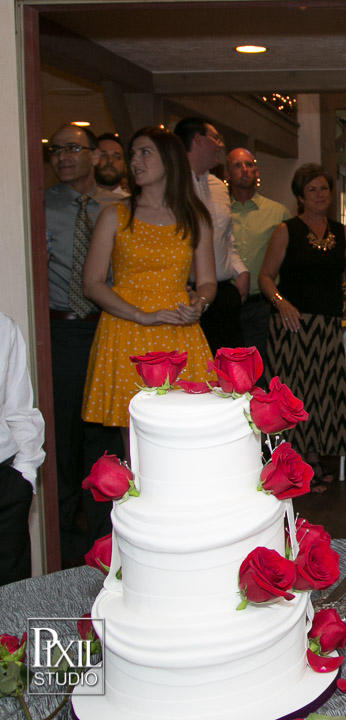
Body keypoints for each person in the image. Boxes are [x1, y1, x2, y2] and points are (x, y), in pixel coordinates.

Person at [81, 126, 217, 433]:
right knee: (135, 435)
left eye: (145, 153)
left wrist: (201, 302)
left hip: (177, 329)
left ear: (169, 161)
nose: (135, 162)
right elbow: (92, 283)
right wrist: (141, 316)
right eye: (133, 154)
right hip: (125, 328)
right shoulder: (115, 215)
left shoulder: (195, 217)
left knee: (185, 430)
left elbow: (208, 281)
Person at [44, 123, 124, 563]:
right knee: (63, 440)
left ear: (96, 156)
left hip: (110, 329)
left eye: (72, 148)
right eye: (55, 150)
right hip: (60, 331)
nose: (62, 156)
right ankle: (64, 552)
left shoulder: (120, 209)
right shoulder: (37, 204)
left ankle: (104, 547)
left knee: (105, 440)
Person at [258, 163, 346, 485]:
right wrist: (281, 303)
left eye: (324, 189)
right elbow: (264, 276)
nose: (320, 195)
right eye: (312, 190)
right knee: (294, 396)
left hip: (328, 326)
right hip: (292, 327)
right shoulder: (285, 230)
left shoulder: (341, 230)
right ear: (300, 197)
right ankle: (291, 466)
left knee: (325, 395)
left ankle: (315, 461)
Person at [174, 117, 249, 353]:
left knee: (229, 375)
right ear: (198, 140)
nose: (220, 145)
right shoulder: (171, 186)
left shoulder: (218, 187)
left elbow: (226, 237)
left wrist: (240, 269)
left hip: (223, 295)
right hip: (185, 295)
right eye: (216, 138)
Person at [226, 148, 291, 367]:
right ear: (227, 173)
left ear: (257, 171)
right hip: (226, 304)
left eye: (249, 164)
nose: (244, 170)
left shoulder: (277, 213)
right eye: (237, 165)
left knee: (262, 370)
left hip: (262, 307)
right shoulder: (218, 212)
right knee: (226, 371)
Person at [0, 312, 45, 586]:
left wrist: (25, 474)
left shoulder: (4, 327)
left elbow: (19, 410)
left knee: (11, 606)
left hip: (4, 487)